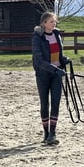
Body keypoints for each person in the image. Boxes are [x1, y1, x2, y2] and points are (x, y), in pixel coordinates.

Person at [32, 11, 69, 145]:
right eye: (51, 21)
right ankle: (46, 132)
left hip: (56, 73)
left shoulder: (57, 35)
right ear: (44, 23)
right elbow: (39, 60)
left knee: (55, 102)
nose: (54, 23)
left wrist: (63, 60)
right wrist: (55, 69)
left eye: (55, 21)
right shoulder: (37, 38)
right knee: (44, 103)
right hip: (43, 74)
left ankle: (52, 133)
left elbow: (57, 54)